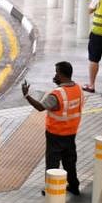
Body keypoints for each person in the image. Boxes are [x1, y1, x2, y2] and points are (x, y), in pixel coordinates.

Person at [22, 61, 83, 196]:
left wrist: (27, 95)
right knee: (70, 162)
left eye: (56, 73)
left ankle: (51, 189)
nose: (55, 75)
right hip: (71, 133)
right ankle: (74, 186)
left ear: (61, 74)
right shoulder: (77, 89)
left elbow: (40, 107)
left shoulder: (57, 95)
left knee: (52, 163)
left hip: (55, 134)